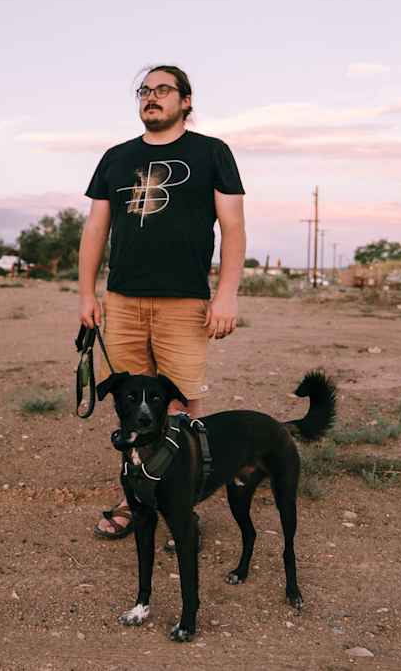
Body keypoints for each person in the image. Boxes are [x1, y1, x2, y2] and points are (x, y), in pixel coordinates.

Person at [78, 64, 246, 539]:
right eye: (145, 91)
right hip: (123, 299)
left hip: (184, 301)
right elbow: (95, 228)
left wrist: (227, 292)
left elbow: (232, 225)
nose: (152, 98)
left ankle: (182, 502)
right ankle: (135, 499)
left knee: (182, 405)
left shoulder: (212, 152)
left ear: (186, 101)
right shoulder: (115, 157)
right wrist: (86, 292)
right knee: (133, 408)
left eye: (163, 90)